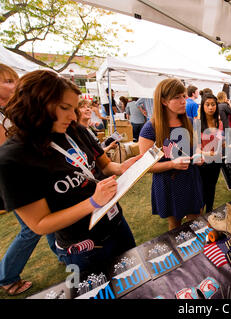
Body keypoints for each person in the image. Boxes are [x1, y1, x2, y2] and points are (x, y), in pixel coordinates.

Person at [0, 70, 142, 276]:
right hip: (83, 246)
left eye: (74, 108)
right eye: (65, 108)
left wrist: (120, 168)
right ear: (36, 104)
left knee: (136, 279)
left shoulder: (75, 130)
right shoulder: (14, 158)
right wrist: (93, 202)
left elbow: (104, 166)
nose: (73, 116)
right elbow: (39, 224)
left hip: (116, 224)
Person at [0, 64, 59, 296]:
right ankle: (7, 276)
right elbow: (8, 152)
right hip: (17, 179)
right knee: (32, 229)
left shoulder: (11, 111)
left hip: (33, 173)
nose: (14, 85)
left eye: (14, 80)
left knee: (51, 215)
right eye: (7, 81)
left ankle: (63, 252)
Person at [138, 78, 204, 231]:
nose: (183, 101)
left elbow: (197, 146)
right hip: (169, 183)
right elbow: (146, 167)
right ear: (164, 101)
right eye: (177, 97)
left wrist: (199, 154)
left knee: (196, 222)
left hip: (191, 179)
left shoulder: (190, 122)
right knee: (176, 227)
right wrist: (172, 164)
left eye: (183, 96)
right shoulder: (150, 129)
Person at [197, 93, 224, 213]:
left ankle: (209, 213)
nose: (210, 107)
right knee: (201, 190)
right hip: (202, 163)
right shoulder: (197, 123)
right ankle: (199, 215)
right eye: (207, 104)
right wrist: (206, 153)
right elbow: (195, 147)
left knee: (211, 188)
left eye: (213, 104)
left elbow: (220, 141)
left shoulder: (219, 123)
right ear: (202, 106)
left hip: (215, 162)